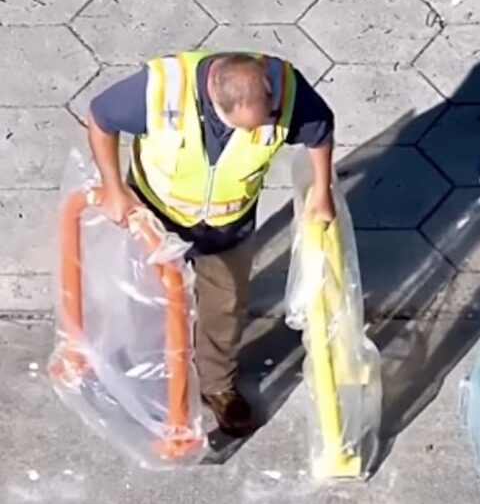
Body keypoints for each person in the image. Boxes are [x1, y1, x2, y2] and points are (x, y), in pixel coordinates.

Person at [86, 51, 336, 437]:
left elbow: (320, 130)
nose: (252, 135)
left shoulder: (286, 89)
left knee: (226, 305)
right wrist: (114, 188)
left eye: (261, 124)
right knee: (148, 298)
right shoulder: (160, 89)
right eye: (239, 127)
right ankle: (147, 371)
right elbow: (101, 118)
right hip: (157, 211)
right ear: (214, 99)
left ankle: (217, 384)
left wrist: (322, 192)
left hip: (226, 223)